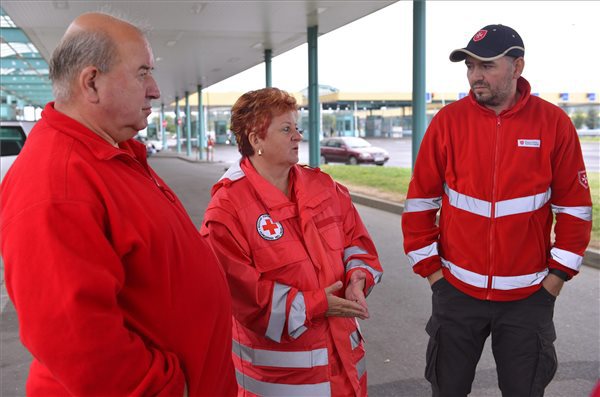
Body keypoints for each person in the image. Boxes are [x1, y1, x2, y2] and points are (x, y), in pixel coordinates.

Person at [0, 12, 237, 396]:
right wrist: (168, 388)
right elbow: (76, 340)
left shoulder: (110, 151)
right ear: (91, 82)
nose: (155, 89)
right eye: (142, 72)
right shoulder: (56, 182)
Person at [401, 24, 592, 396]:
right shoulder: (447, 122)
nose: (476, 75)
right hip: (456, 293)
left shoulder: (554, 124)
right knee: (448, 390)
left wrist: (554, 281)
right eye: (470, 66)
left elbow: (575, 210)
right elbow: (420, 203)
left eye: (487, 66)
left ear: (517, 66)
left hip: (529, 297)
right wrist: (433, 275)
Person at [200, 87, 383, 396]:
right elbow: (245, 297)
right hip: (282, 384)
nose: (298, 136)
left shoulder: (324, 187)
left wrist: (358, 279)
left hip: (347, 375)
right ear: (255, 138)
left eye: (296, 127)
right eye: (286, 129)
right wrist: (317, 304)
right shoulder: (227, 210)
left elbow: (357, 243)